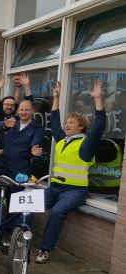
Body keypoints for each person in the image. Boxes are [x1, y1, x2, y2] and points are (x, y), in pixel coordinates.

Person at [36, 80, 106, 264]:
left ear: (81, 127)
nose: (66, 125)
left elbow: (99, 126)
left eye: (71, 122)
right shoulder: (61, 140)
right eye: (66, 122)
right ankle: (18, 236)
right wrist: (56, 98)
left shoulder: (86, 143)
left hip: (74, 190)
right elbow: (53, 121)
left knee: (57, 212)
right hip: (55, 187)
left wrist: (98, 99)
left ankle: (44, 250)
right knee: (29, 203)